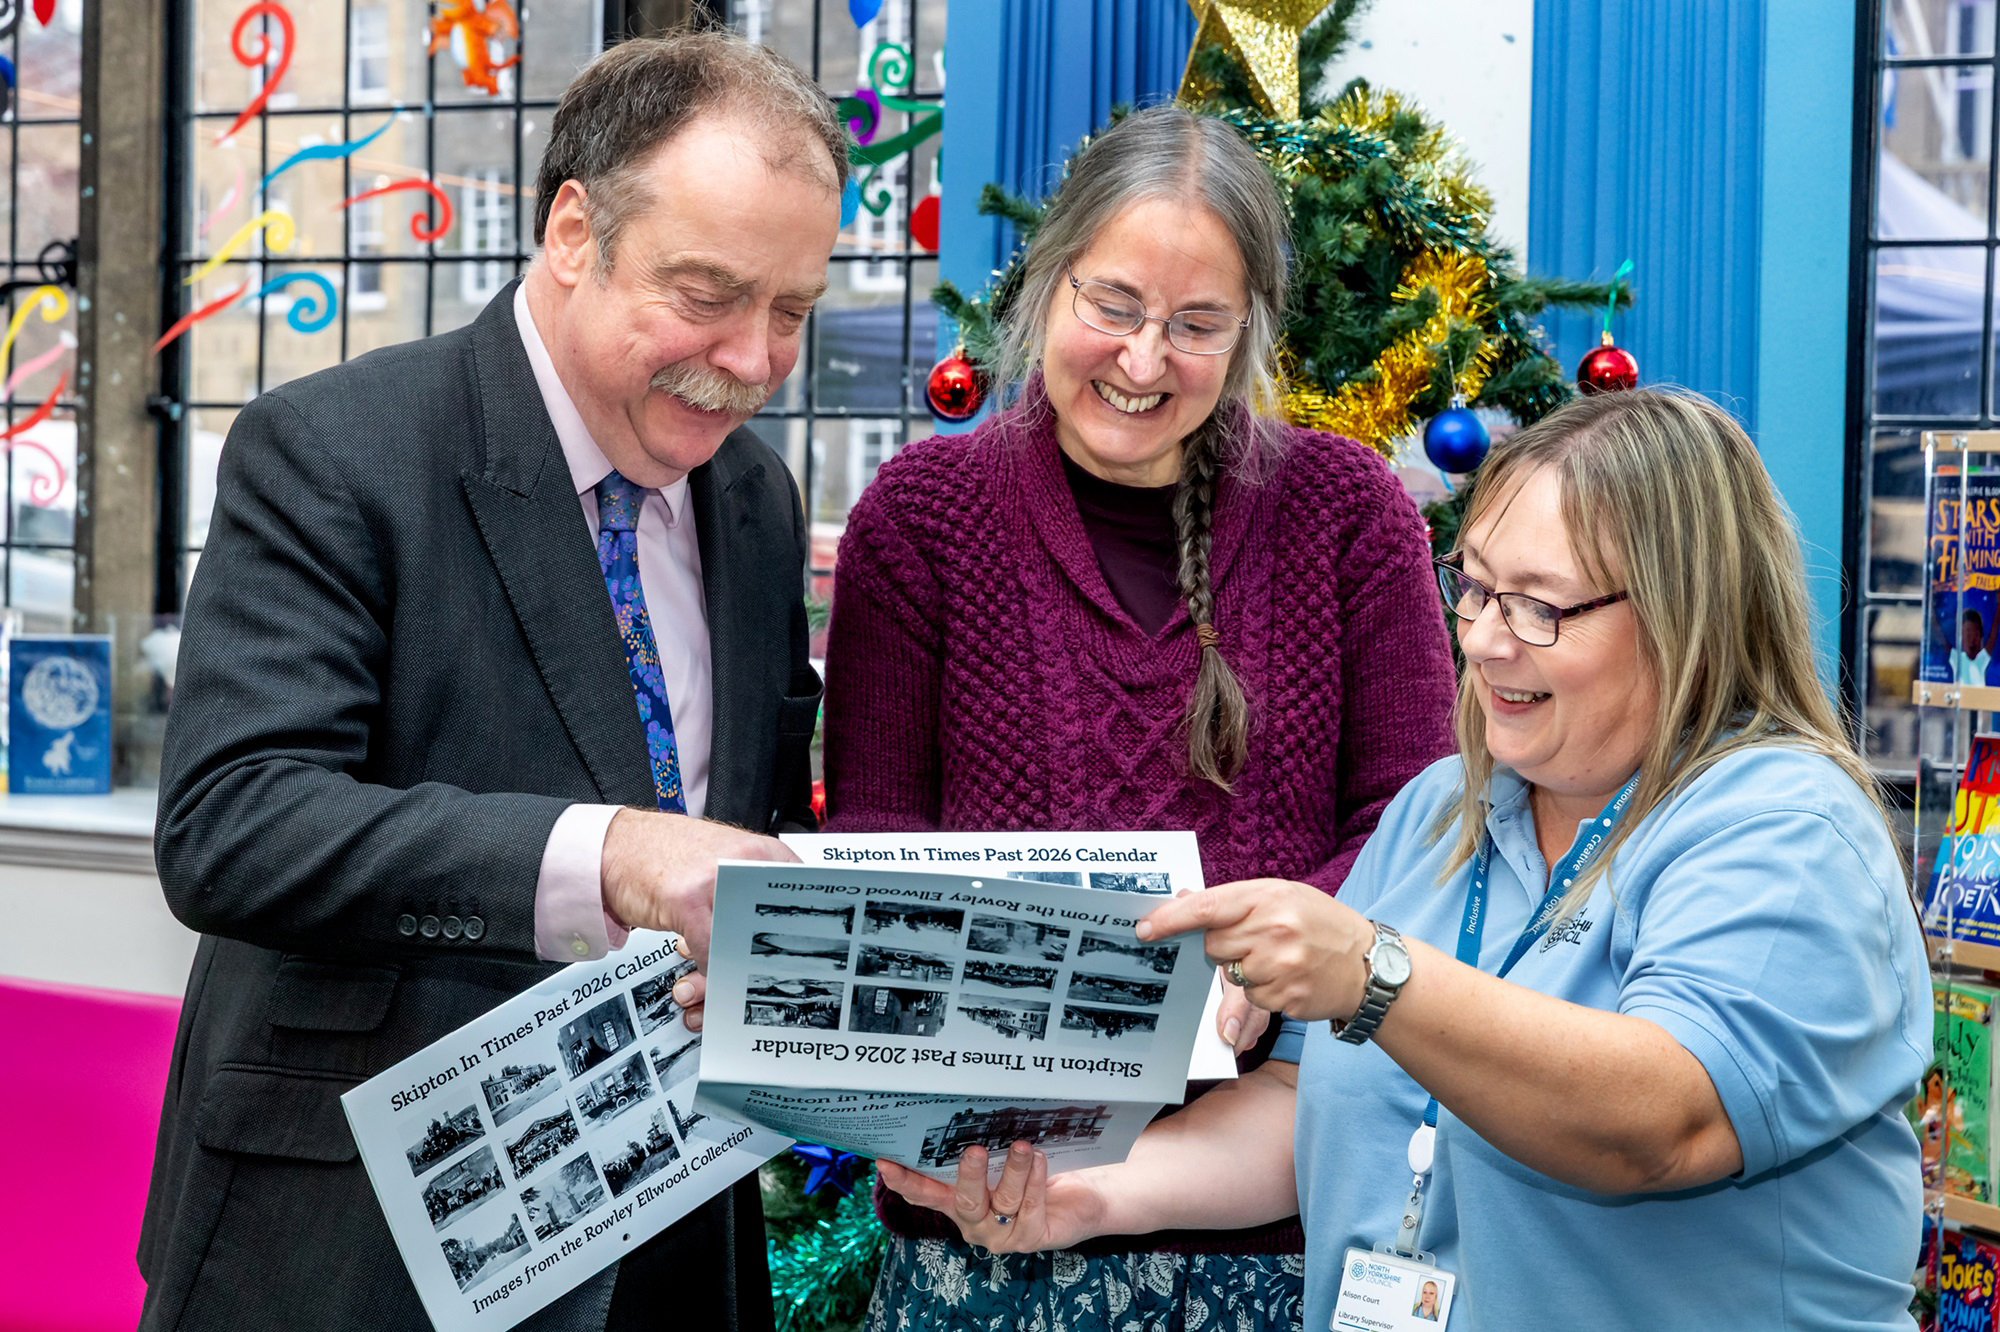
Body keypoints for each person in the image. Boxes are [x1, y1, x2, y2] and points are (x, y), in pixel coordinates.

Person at [881, 389, 1931, 1331]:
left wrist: (1376, 974)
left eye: (1537, 604)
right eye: (1470, 588)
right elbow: (1301, 1108)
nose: (1480, 641)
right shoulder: (1441, 809)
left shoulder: (1784, 826)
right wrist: (1096, 1193)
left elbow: (1663, 1120)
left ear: (1683, 615)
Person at [137, 31, 841, 1332]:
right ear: (574, 231)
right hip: (353, 1248)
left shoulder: (751, 499)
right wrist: (610, 858)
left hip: (673, 1235)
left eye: (791, 309)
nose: (752, 359)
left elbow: (749, 825)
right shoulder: (336, 450)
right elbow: (234, 827)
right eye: (707, 293)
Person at [822, 105, 1457, 1330]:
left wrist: (1273, 958)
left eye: (1196, 325)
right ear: (1048, 279)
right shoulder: (922, 518)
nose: (1142, 359)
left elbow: (1411, 819)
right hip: (987, 1214)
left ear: (1249, 331)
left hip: (1267, 1226)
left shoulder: (1347, 512)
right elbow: (878, 844)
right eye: (1111, 304)